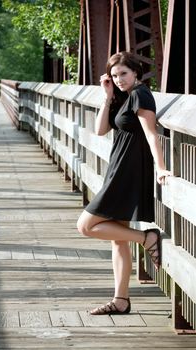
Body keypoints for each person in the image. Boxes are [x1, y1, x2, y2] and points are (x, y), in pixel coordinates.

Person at [77, 51, 171, 316]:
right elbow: (100, 129)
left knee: (85, 226)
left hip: (127, 171)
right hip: (117, 167)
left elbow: (152, 135)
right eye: (114, 75)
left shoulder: (141, 95)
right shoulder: (123, 96)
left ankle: (146, 237)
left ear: (136, 73)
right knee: (117, 239)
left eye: (123, 74)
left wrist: (161, 169)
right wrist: (107, 97)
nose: (119, 79)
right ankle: (121, 300)